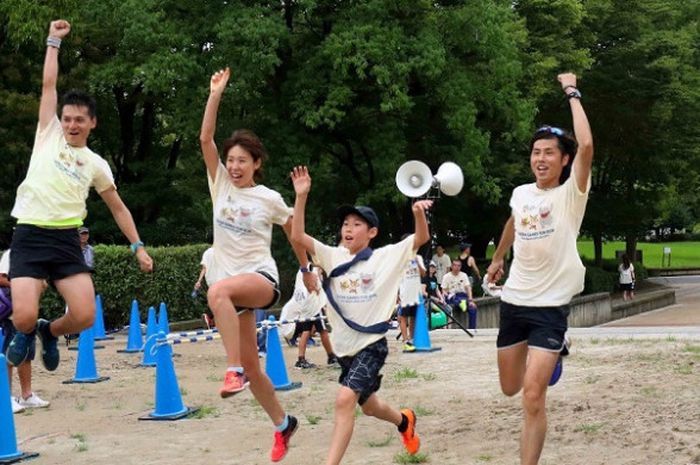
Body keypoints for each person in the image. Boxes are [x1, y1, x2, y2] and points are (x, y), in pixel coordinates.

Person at [5, 20, 153, 373]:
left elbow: (117, 207)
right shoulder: (48, 132)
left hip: (66, 240)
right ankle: (28, 329)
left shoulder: (96, 163)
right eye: (68, 119)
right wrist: (53, 41)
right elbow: (49, 84)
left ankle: (49, 331)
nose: (72, 125)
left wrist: (138, 246)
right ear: (60, 120)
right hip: (29, 233)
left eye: (79, 121)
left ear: (92, 124)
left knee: (85, 315)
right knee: (23, 314)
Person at [200, 67, 312, 462]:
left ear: (256, 163)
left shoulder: (268, 198)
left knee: (217, 291)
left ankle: (233, 370)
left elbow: (294, 233)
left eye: (242, 161)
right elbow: (205, 138)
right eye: (230, 160)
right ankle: (284, 424)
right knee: (254, 362)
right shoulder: (220, 185)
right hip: (234, 292)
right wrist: (215, 94)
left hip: (260, 280)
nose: (233, 166)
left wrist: (307, 270)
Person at [485, 73, 593, 465]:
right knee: (510, 388)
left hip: (550, 306)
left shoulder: (571, 194)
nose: (541, 158)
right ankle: (553, 358)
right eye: (536, 152)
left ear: (564, 160)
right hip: (515, 301)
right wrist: (498, 257)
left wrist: (571, 91)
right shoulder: (520, 194)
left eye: (549, 152)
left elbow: (586, 144)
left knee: (532, 396)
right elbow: (515, 221)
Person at [290, 165, 429, 465]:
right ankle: (404, 421)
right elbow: (297, 235)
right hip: (344, 351)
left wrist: (418, 212)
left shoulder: (385, 257)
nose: (348, 229)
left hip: (371, 345)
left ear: (372, 232)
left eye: (356, 224)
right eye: (345, 224)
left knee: (344, 400)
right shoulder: (331, 255)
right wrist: (301, 197)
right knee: (368, 406)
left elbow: (421, 237)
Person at [0, 250, 50, 414]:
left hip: (28, 311)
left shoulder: (35, 256)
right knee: (9, 354)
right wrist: (24, 287)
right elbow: (1, 278)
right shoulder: (11, 254)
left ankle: (26, 395)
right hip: (13, 313)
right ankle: (6, 397)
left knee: (27, 354)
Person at [279, 267, 337, 368]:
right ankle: (331, 356)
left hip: (305, 305)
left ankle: (301, 358)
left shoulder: (302, 269)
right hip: (314, 306)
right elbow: (311, 286)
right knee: (323, 331)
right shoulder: (313, 270)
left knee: (306, 331)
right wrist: (317, 288)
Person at [397, 246, 426, 352]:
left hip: (416, 293)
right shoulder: (400, 259)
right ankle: (406, 341)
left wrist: (417, 263)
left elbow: (423, 273)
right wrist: (397, 295)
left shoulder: (418, 258)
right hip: (405, 293)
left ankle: (412, 339)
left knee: (413, 317)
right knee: (402, 317)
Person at [441, 259, 477, 330]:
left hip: (463, 295)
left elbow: (468, 288)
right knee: (455, 298)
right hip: (452, 295)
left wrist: (470, 300)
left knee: (473, 308)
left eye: (458, 266)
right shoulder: (446, 276)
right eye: (455, 265)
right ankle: (461, 302)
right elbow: (443, 290)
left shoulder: (464, 275)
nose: (457, 267)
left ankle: (472, 329)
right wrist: (447, 295)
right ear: (452, 266)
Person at [194, 247, 215, 329]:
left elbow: (204, 268)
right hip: (221, 278)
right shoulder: (221, 250)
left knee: (214, 299)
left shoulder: (206, 253)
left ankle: (209, 318)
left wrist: (199, 281)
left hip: (210, 280)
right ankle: (209, 316)